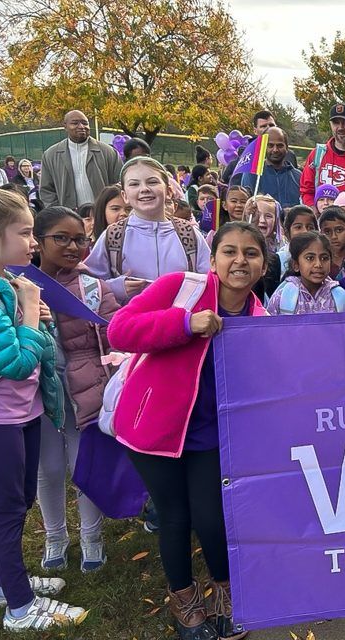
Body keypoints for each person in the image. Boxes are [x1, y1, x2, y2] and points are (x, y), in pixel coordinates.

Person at [107, 222, 267, 640]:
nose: (240, 260)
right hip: (154, 430)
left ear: (263, 265)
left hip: (212, 435)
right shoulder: (182, 287)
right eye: (229, 251)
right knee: (175, 516)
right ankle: (185, 601)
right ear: (212, 260)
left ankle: (228, 595)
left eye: (251, 253)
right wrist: (184, 324)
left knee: (213, 519)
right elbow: (119, 330)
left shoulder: (261, 320)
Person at [0, 188, 87, 631]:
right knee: (7, 507)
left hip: (25, 413)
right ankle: (19, 607)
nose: (33, 242)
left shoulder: (4, 284)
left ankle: (4, 584)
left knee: (22, 499)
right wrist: (32, 312)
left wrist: (29, 318)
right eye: (26, 232)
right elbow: (16, 363)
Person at [33, 207, 118, 574]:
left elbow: (114, 331)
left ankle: (91, 537)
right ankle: (55, 536)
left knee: (83, 466)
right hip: (36, 392)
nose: (72, 246)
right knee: (47, 468)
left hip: (84, 390)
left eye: (79, 239)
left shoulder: (90, 286)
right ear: (38, 240)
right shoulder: (17, 285)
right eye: (61, 238)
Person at [86, 157, 211, 304]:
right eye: (134, 184)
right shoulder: (113, 235)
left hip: (181, 323)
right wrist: (115, 287)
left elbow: (209, 280)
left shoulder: (189, 234)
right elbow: (87, 285)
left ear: (169, 191)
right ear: (125, 196)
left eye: (152, 182)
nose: (144, 189)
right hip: (131, 323)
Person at [40, 110, 121, 209]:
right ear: (65, 126)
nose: (81, 127)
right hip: (69, 217)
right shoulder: (50, 155)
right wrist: (59, 212)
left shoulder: (108, 152)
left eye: (85, 123)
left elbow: (119, 184)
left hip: (102, 214)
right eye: (75, 123)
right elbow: (46, 191)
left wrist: (111, 208)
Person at [267, 232, 345, 315]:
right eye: (310, 258)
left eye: (324, 258)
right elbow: (269, 326)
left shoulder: (338, 296)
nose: (318, 264)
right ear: (296, 265)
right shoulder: (283, 295)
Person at [240, 127, 301, 209]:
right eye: (270, 145)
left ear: (287, 148)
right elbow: (247, 207)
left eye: (280, 145)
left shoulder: (298, 177)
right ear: (263, 147)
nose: (275, 150)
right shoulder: (252, 174)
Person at [277, 205, 319, 278]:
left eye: (310, 227)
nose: (305, 231)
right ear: (287, 233)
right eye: (298, 227)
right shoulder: (278, 259)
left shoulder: (321, 257)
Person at [318, 207, 345, 279]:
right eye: (327, 232)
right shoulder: (319, 262)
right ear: (320, 235)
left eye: (339, 230)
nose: (334, 236)